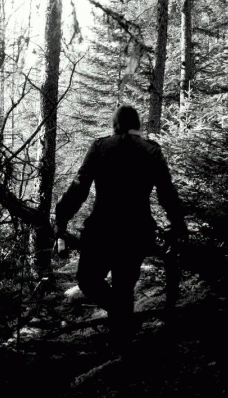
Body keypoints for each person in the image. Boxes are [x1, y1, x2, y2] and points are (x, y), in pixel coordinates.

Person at [54, 104, 188, 343]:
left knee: (88, 281)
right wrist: (178, 224)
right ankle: (124, 340)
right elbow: (167, 192)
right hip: (137, 233)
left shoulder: (100, 147)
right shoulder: (152, 151)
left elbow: (79, 186)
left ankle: (122, 339)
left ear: (115, 125)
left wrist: (61, 217)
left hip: (101, 231)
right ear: (137, 125)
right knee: (124, 289)